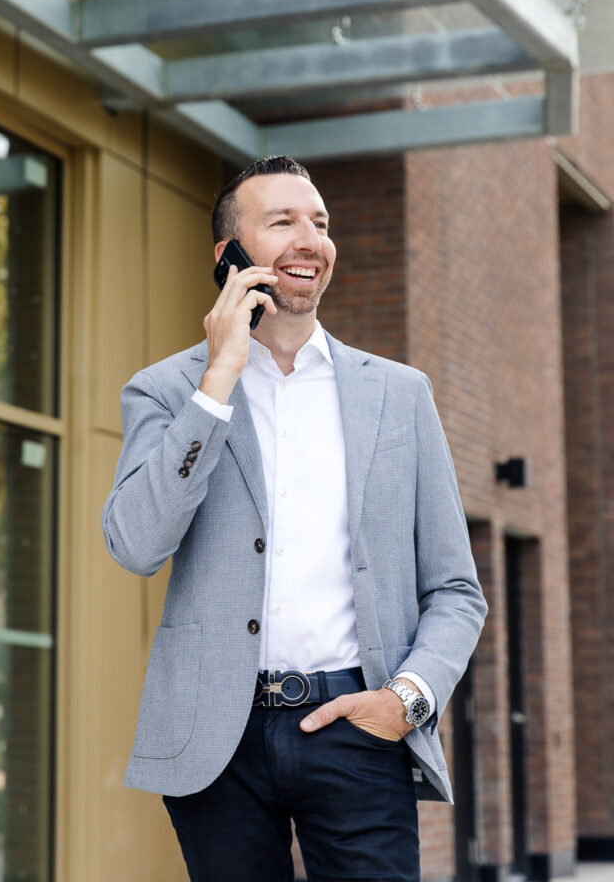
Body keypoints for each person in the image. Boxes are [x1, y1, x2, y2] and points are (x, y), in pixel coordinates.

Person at [103, 155, 487, 882]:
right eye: (282, 222)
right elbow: (136, 544)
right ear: (230, 256)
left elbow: (456, 591)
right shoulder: (165, 391)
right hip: (217, 738)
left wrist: (405, 701)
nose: (310, 238)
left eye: (320, 223)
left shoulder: (400, 395)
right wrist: (217, 380)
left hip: (358, 726)